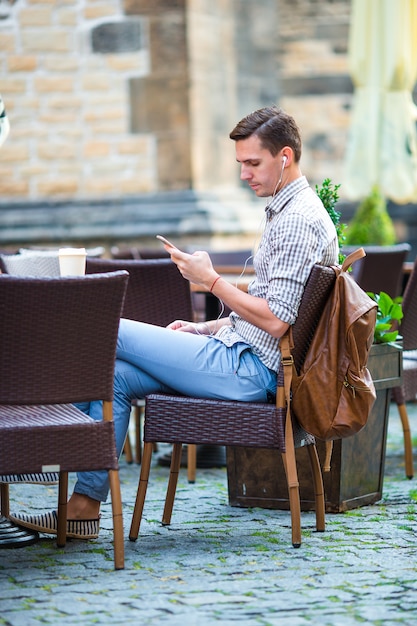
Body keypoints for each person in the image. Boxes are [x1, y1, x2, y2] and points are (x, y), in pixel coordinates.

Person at [10, 105, 339, 539]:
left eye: (253, 163)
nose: (244, 174)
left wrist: (211, 280)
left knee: (109, 329)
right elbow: (272, 315)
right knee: (116, 376)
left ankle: (32, 431)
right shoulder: (288, 211)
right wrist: (202, 328)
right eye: (240, 164)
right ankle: (84, 507)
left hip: (250, 373)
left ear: (285, 157)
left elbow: (277, 322)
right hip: (239, 358)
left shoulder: (296, 220)